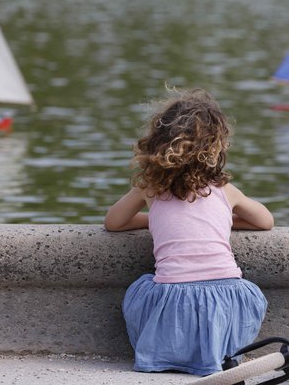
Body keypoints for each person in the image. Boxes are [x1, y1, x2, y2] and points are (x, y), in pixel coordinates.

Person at [105, 87, 274, 376]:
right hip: (226, 302)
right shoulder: (225, 191)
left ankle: (168, 351)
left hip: (171, 306)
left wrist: (153, 218)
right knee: (248, 290)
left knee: (141, 288)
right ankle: (218, 352)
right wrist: (221, 221)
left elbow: (114, 222)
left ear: (156, 146)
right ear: (216, 148)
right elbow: (265, 221)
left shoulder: (150, 189)